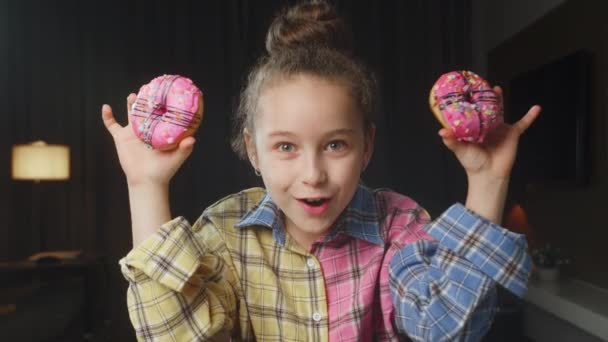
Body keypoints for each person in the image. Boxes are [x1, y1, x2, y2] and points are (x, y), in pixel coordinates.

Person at [102, 1, 540, 341]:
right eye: (286, 146)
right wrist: (146, 186)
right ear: (253, 151)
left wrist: (487, 181)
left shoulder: (400, 225)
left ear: (366, 146)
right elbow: (174, 334)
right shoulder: (223, 231)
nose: (313, 174)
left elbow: (450, 329)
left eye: (335, 144)